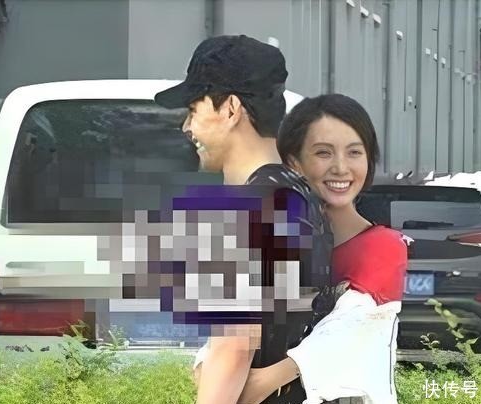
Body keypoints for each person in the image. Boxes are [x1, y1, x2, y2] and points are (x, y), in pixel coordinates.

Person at [154, 35, 333, 404]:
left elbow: (234, 346)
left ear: (231, 108)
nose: (187, 127)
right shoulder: (299, 193)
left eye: (194, 110)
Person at [237, 94, 408, 404]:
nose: (341, 168)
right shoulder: (277, 237)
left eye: (354, 152)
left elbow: (352, 329)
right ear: (294, 162)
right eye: (323, 153)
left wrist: (262, 382)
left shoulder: (382, 245)